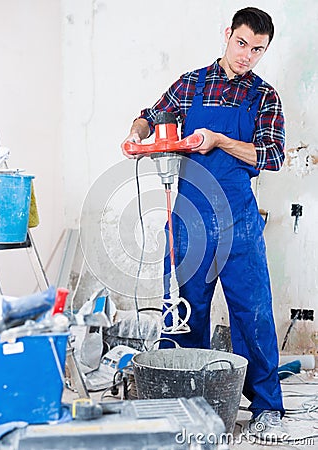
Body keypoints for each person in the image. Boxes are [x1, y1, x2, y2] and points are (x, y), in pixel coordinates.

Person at [123, 7, 285, 436]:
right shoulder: (191, 83)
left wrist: (219, 141)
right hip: (188, 216)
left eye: (257, 50)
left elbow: (271, 155)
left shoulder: (263, 96)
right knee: (183, 311)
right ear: (227, 34)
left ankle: (266, 405)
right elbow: (152, 112)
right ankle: (183, 402)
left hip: (239, 222)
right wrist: (136, 134)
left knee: (252, 313)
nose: (247, 55)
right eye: (242, 44)